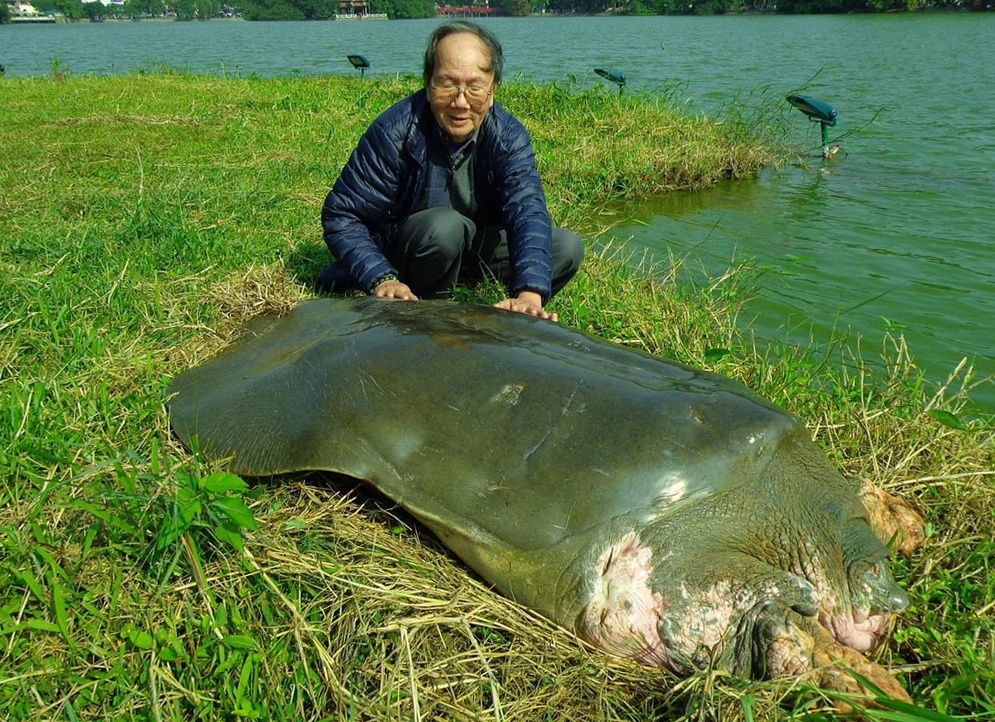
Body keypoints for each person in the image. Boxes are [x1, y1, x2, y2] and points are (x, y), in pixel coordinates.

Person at [319, 21, 583, 322]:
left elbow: (527, 211)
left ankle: (472, 288)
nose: (460, 102)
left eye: (474, 87)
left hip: (472, 248)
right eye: (448, 84)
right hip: (407, 250)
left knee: (565, 247)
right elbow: (342, 215)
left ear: (493, 88)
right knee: (445, 227)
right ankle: (432, 309)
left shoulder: (509, 136)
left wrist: (529, 295)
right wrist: (381, 277)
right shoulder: (394, 130)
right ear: (428, 84)